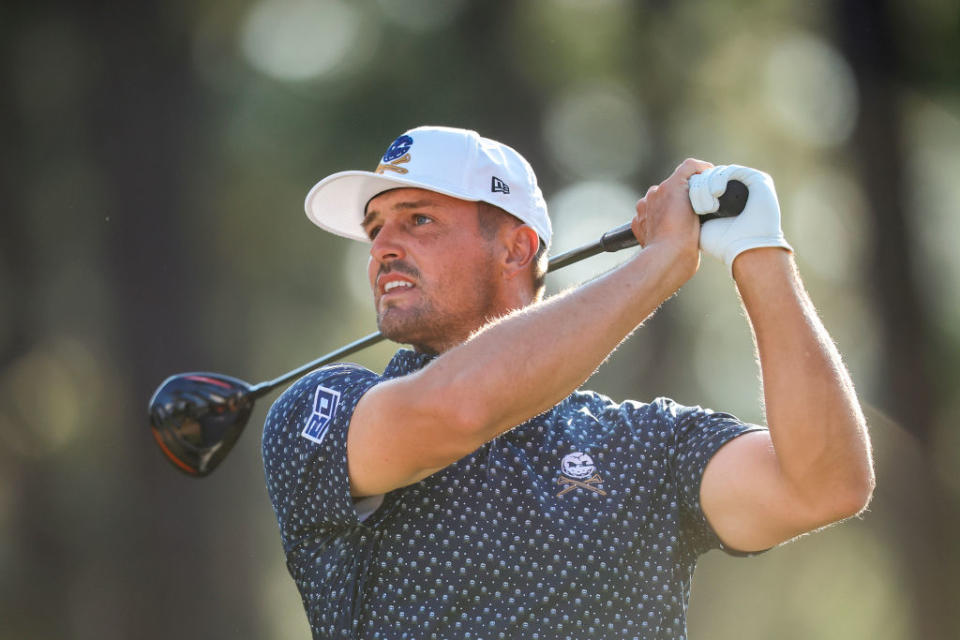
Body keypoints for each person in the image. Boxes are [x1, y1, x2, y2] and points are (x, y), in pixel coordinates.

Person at [261, 125, 874, 639]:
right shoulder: (319, 411)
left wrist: (758, 249)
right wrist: (661, 262)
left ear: (516, 249)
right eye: (375, 230)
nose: (381, 250)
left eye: (417, 220)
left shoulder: (645, 444)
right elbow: (459, 409)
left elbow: (824, 485)